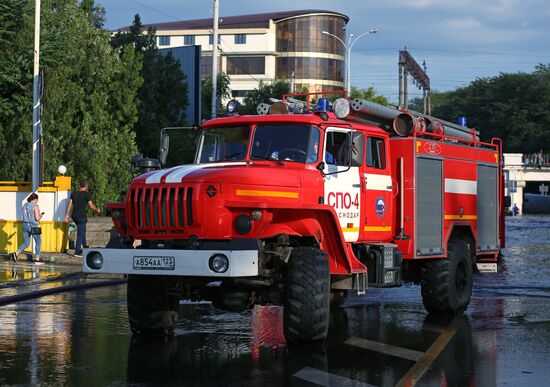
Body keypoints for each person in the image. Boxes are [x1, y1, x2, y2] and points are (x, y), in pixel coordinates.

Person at [64, 180, 101, 256]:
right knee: (80, 234)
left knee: (82, 230)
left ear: (80, 185)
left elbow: (69, 205)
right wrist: (97, 209)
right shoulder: (86, 195)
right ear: (86, 186)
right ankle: (77, 251)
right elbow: (91, 206)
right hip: (81, 216)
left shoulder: (74, 194)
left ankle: (85, 246)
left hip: (74, 216)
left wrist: (67, 215)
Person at [12, 193, 43, 264]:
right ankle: (37, 259)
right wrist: (41, 215)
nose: (37, 201)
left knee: (26, 243)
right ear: (35, 199)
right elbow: (37, 218)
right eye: (37, 200)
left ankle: (16, 253)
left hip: (25, 225)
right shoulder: (35, 206)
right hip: (33, 226)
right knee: (38, 242)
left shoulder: (24, 206)